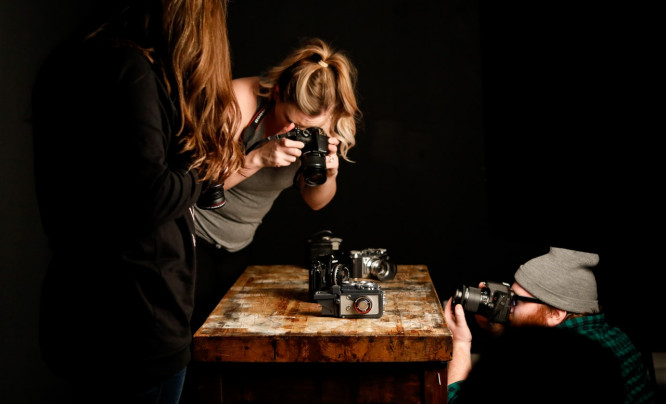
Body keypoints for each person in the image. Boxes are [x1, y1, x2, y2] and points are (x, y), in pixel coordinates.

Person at [31, 0, 243, 402]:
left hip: (82, 311)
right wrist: (203, 165)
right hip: (136, 322)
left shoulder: (70, 60)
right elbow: (150, 194)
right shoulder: (130, 70)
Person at [190, 37, 361, 331]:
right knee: (186, 337)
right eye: (293, 122)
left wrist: (329, 174)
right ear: (278, 93)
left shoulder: (329, 121)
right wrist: (256, 159)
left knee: (222, 337)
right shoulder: (239, 100)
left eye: (312, 127)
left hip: (239, 243)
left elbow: (315, 201)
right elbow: (200, 187)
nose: (301, 133)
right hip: (191, 234)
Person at [444, 247, 655, 404]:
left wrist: (461, 343)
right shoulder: (614, 338)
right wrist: (497, 329)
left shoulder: (552, 363)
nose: (508, 308)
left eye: (515, 302)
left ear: (555, 313)